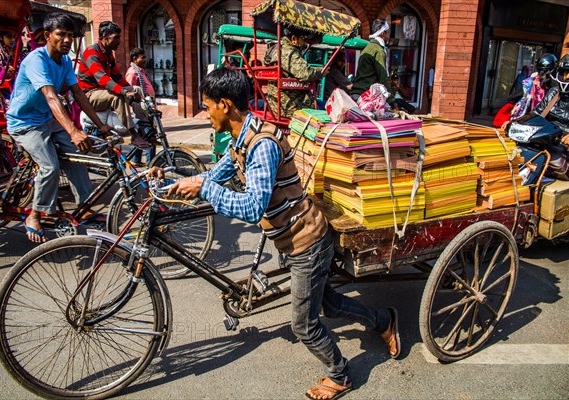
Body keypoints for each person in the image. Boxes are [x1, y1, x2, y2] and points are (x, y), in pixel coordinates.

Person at [148, 67, 401, 400]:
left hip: (307, 241)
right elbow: (216, 174)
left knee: (304, 326)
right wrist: (170, 176)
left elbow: (253, 208)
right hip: (292, 239)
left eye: (207, 105)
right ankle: (383, 320)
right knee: (329, 303)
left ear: (225, 105)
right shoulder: (242, 139)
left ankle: (341, 375)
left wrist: (205, 189)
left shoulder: (262, 145)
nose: (204, 113)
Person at [6, 13, 113, 242]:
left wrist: (101, 125)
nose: (66, 40)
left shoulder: (64, 61)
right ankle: (35, 214)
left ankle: (85, 205)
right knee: (50, 166)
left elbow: (78, 94)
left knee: (78, 155)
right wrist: (73, 131)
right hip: (25, 123)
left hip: (47, 119)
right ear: (47, 36)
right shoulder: (37, 60)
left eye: (69, 35)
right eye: (60, 34)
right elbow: (51, 97)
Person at [77, 21, 149, 148]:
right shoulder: (91, 53)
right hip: (89, 95)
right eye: (116, 37)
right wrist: (125, 92)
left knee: (137, 89)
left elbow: (118, 78)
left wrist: (132, 91)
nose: (119, 41)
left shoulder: (108, 54)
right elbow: (103, 79)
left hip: (102, 92)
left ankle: (145, 121)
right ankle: (134, 134)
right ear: (105, 36)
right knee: (118, 95)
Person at [264, 26, 328, 119]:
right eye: (303, 39)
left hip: (277, 104)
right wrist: (321, 72)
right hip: (290, 106)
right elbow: (305, 74)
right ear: (294, 39)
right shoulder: (289, 52)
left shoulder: (274, 49)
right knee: (327, 107)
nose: (305, 43)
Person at [528, 54, 569, 180]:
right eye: (565, 73)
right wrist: (515, 122)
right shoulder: (554, 93)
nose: (568, 77)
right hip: (550, 145)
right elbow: (536, 113)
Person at [351, 19, 395, 109]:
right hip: (365, 97)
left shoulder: (368, 47)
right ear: (383, 33)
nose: (388, 35)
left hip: (357, 93)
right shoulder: (378, 50)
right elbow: (383, 77)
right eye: (387, 32)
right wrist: (392, 101)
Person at [125, 47, 156, 166]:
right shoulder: (132, 72)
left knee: (143, 134)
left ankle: (136, 159)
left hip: (147, 106)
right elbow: (129, 90)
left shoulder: (140, 71)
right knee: (150, 133)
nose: (145, 59)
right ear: (135, 58)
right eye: (142, 57)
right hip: (141, 108)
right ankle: (151, 162)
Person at [0, 30, 26, 110]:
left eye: (15, 37)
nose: (13, 40)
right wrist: (3, 74)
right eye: (9, 37)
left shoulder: (20, 54)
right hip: (1, 95)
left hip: (21, 91)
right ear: (1, 37)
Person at [510, 53, 557, 120]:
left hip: (527, 120)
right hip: (549, 124)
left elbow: (512, 98)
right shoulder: (559, 87)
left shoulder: (529, 83)